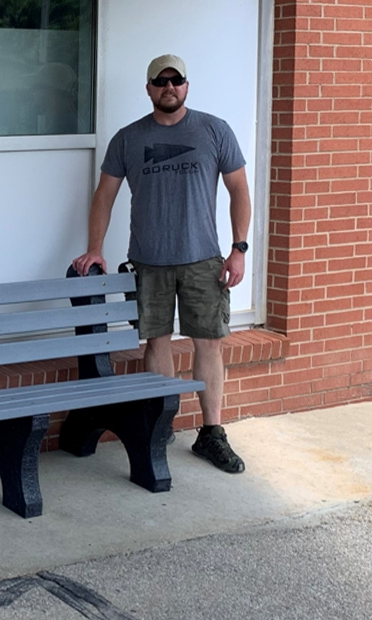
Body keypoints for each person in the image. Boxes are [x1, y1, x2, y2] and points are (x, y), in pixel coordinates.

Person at [71, 54, 252, 474]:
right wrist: (95, 247)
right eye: (160, 80)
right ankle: (160, 424)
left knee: (207, 343)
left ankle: (212, 433)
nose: (169, 86)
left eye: (177, 80)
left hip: (203, 261)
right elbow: (104, 194)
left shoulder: (214, 130)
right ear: (149, 87)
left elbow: (239, 188)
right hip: (148, 262)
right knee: (157, 342)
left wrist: (238, 248)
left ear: (186, 85)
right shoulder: (128, 139)